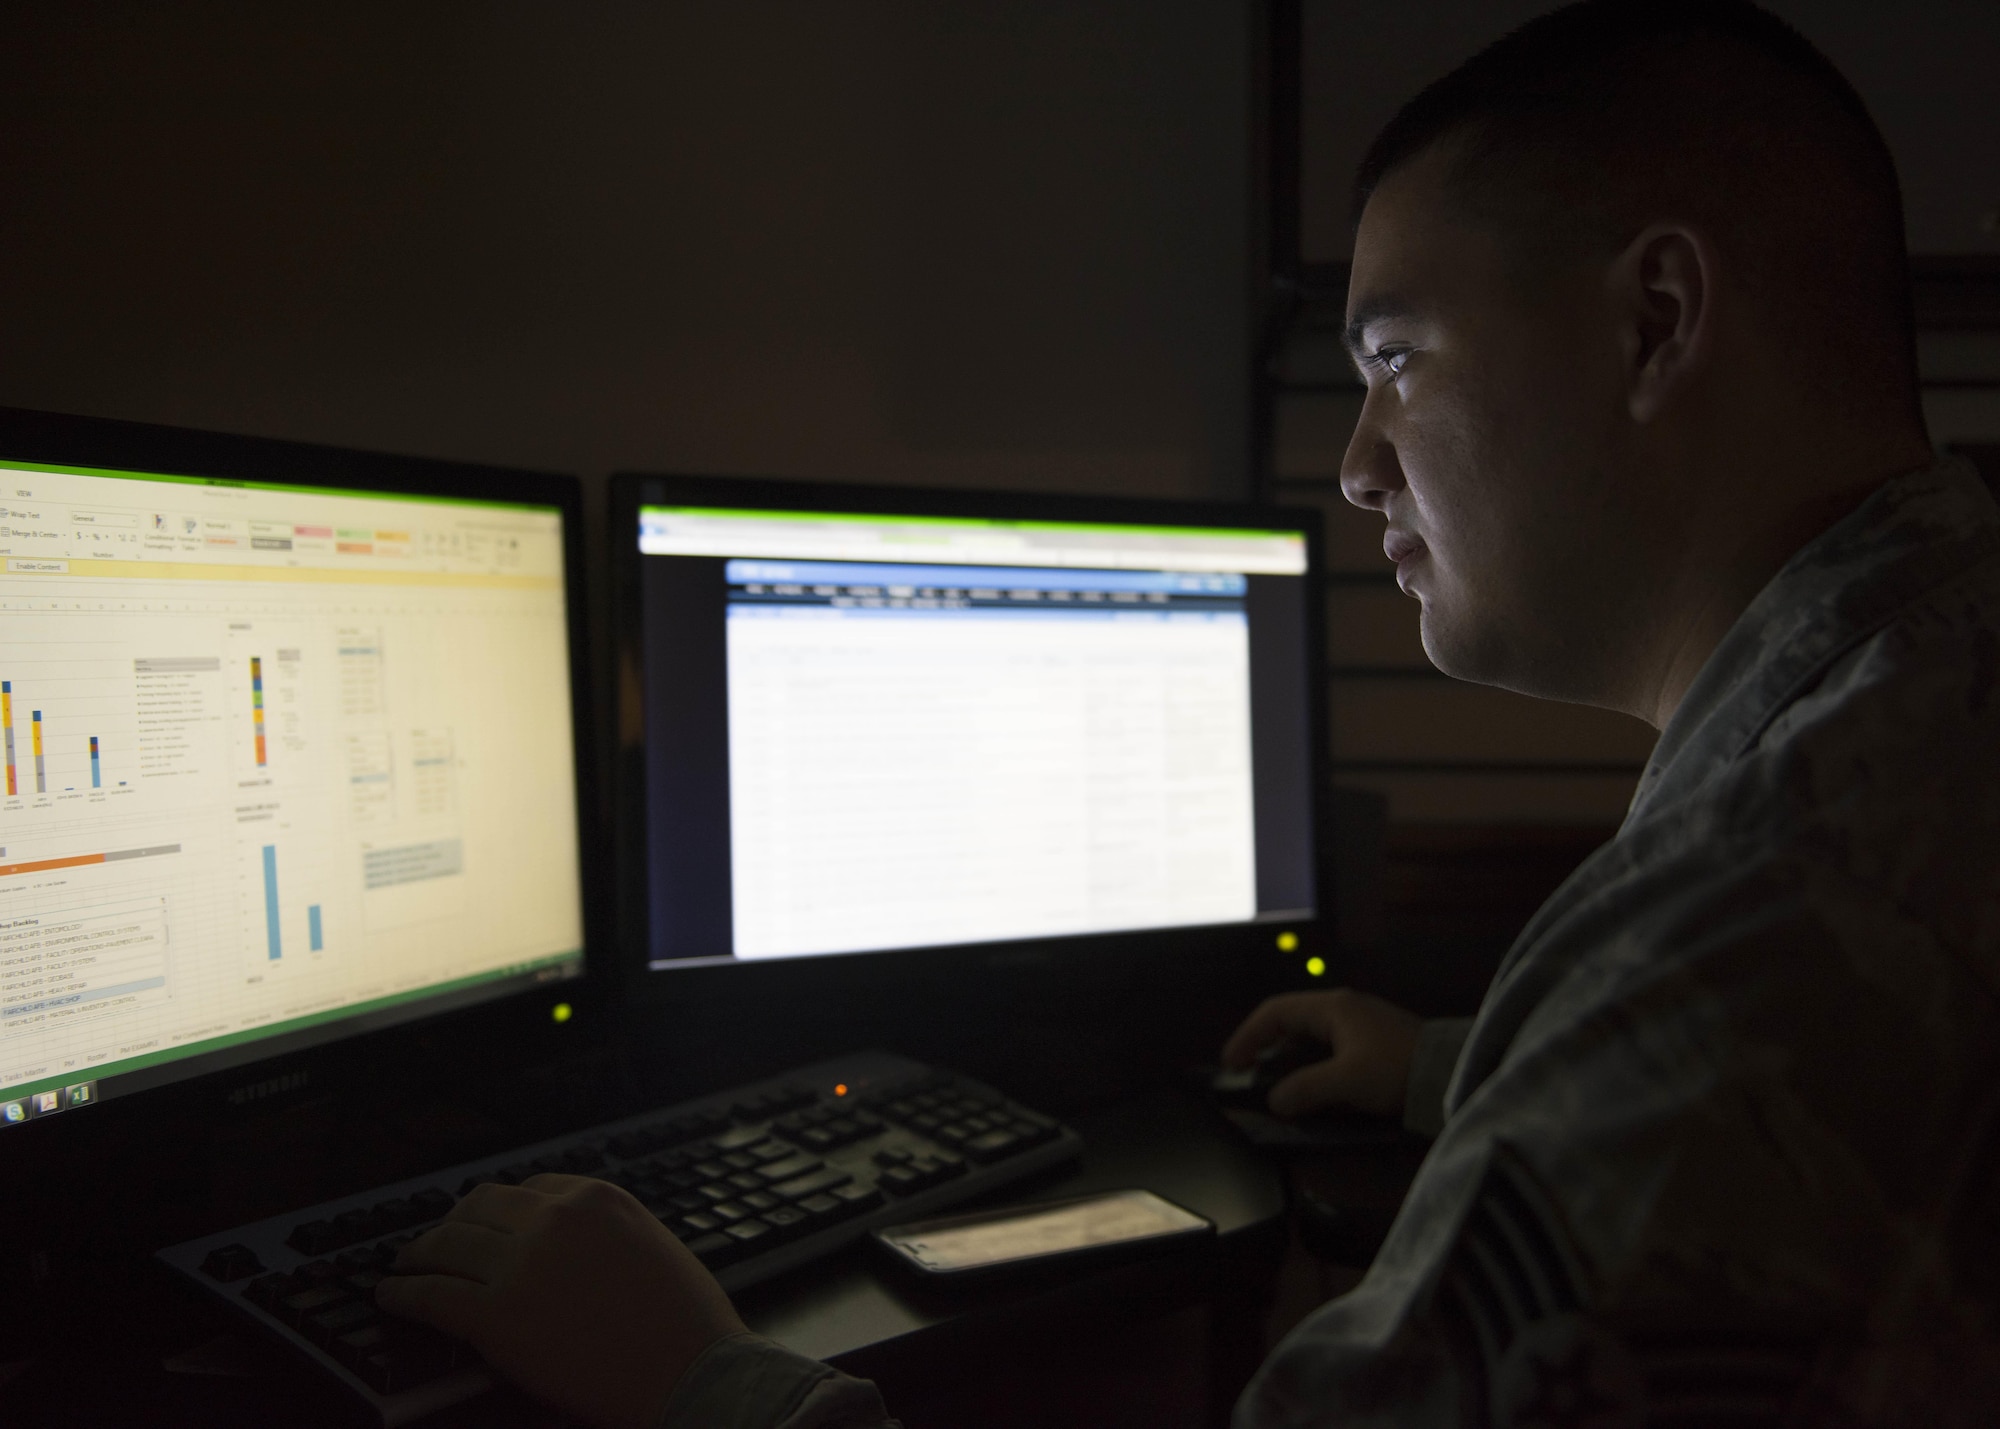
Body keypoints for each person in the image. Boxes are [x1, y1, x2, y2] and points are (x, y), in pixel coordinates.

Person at [375, 2, 2000, 1424]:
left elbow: (1749, 1037)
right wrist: (1457, 1065)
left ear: (1654, 321)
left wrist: (700, 1380)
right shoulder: (1933, 676)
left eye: (1398, 357)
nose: (1359, 459)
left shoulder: (1746, 923)